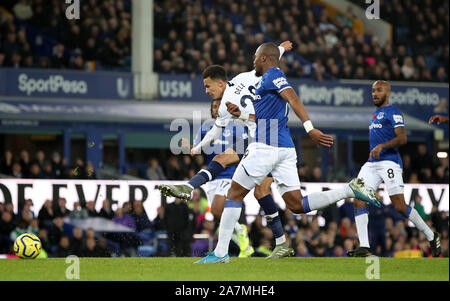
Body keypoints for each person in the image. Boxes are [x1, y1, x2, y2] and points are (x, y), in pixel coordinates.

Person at [196, 42, 379, 263]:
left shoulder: (273, 74)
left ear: (263, 58)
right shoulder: (265, 80)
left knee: (234, 194)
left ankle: (220, 253)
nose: (253, 60)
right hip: (284, 149)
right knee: (297, 204)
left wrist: (310, 129)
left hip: (265, 147)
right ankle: (348, 190)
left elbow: (293, 98)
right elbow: (264, 117)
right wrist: (241, 116)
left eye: (255, 56)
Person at [158, 41, 298, 259]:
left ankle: (189, 187)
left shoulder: (243, 80)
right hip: (258, 141)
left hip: (269, 139)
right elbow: (215, 130)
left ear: (221, 83)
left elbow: (266, 61)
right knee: (260, 191)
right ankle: (280, 242)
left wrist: (280, 48)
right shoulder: (227, 102)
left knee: (231, 164)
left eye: (208, 86)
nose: (206, 91)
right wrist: (197, 148)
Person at [347, 80, 441, 257]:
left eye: (379, 90)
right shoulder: (375, 115)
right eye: (373, 90)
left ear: (388, 93)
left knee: (399, 205)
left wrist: (382, 146)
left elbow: (402, 138)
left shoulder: (394, 112)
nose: (375, 93)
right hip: (372, 163)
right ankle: (365, 247)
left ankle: (431, 235)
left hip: (389, 162)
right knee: (358, 198)